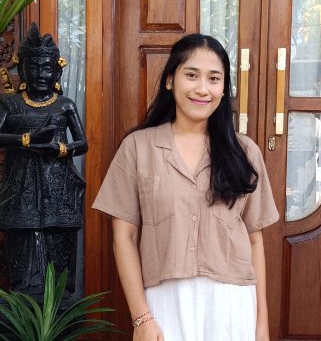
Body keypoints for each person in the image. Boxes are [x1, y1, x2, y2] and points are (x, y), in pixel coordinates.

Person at [93, 34, 279, 341]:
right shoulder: (138, 148)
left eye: (214, 79)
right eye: (191, 75)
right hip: (165, 303)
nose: (202, 89)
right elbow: (123, 237)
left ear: (223, 89)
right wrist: (141, 318)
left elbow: (255, 241)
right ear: (170, 80)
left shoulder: (245, 152)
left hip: (232, 304)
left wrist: (261, 325)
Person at [0, 23, 87, 298]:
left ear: (57, 72)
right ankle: (24, 297)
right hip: (20, 188)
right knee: (23, 242)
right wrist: (26, 139)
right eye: (34, 67)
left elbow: (82, 143)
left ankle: (59, 299)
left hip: (58, 188)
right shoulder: (9, 104)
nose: (41, 74)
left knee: (58, 245)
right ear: (22, 69)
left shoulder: (65, 105)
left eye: (47, 68)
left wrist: (59, 149)